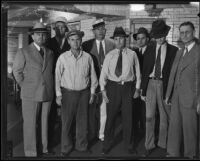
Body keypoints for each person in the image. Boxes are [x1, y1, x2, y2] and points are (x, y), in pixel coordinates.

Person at [12, 22, 54, 157]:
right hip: (30, 94)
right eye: (38, 34)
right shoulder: (23, 51)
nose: (41, 37)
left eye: (43, 34)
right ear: (33, 36)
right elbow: (16, 72)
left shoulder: (50, 52)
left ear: (46, 36)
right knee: (30, 124)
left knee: (45, 123)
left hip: (47, 92)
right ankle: (31, 152)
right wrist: (25, 86)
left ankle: (44, 148)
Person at [55, 29, 98, 156]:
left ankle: (81, 146)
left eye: (78, 39)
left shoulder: (88, 57)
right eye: (72, 40)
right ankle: (66, 148)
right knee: (67, 122)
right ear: (68, 41)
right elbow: (57, 77)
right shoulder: (63, 58)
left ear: (81, 41)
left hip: (84, 94)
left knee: (82, 122)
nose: (75, 42)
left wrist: (92, 93)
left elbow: (93, 77)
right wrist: (58, 94)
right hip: (67, 94)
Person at [100, 26, 141, 155]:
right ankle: (107, 145)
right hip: (113, 87)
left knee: (128, 118)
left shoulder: (132, 54)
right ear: (114, 40)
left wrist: (137, 88)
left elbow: (138, 73)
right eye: (116, 39)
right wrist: (103, 90)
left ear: (125, 40)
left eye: (121, 39)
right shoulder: (110, 55)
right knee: (110, 117)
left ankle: (129, 145)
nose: (118, 41)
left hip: (128, 88)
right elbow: (103, 74)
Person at [140, 19, 178, 156]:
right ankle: (149, 145)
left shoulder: (174, 50)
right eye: (157, 36)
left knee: (164, 117)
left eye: (162, 35)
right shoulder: (149, 49)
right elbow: (145, 71)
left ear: (166, 34)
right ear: (154, 36)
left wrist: (171, 93)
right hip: (150, 84)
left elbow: (174, 74)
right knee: (149, 116)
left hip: (164, 85)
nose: (160, 38)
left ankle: (163, 144)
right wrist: (143, 90)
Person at [165, 21, 200, 159]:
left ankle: (190, 154)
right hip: (176, 96)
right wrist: (168, 94)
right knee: (174, 126)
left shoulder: (198, 52)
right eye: (182, 32)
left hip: (191, 97)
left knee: (189, 129)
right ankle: (173, 153)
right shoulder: (179, 52)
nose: (184, 35)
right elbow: (173, 74)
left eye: (187, 32)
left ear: (194, 33)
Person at [82, 19, 115, 143]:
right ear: (93, 31)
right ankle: (91, 134)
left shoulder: (111, 44)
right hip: (91, 83)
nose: (101, 31)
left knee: (104, 110)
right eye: (98, 29)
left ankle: (101, 134)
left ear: (106, 30)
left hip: (106, 83)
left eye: (103, 29)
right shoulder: (86, 45)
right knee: (90, 111)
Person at [46, 16, 70, 148]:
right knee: (51, 113)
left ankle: (66, 140)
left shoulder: (70, 42)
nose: (60, 29)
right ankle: (50, 140)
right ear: (54, 29)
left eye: (63, 27)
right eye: (58, 27)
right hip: (52, 82)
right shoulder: (48, 43)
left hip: (67, 83)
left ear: (66, 29)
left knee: (67, 113)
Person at [132, 27, 150, 136]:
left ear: (147, 39)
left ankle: (146, 133)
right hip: (135, 86)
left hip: (147, 85)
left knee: (146, 111)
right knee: (135, 109)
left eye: (143, 38)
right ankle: (136, 132)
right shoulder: (134, 52)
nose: (140, 41)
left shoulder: (152, 51)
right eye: (138, 39)